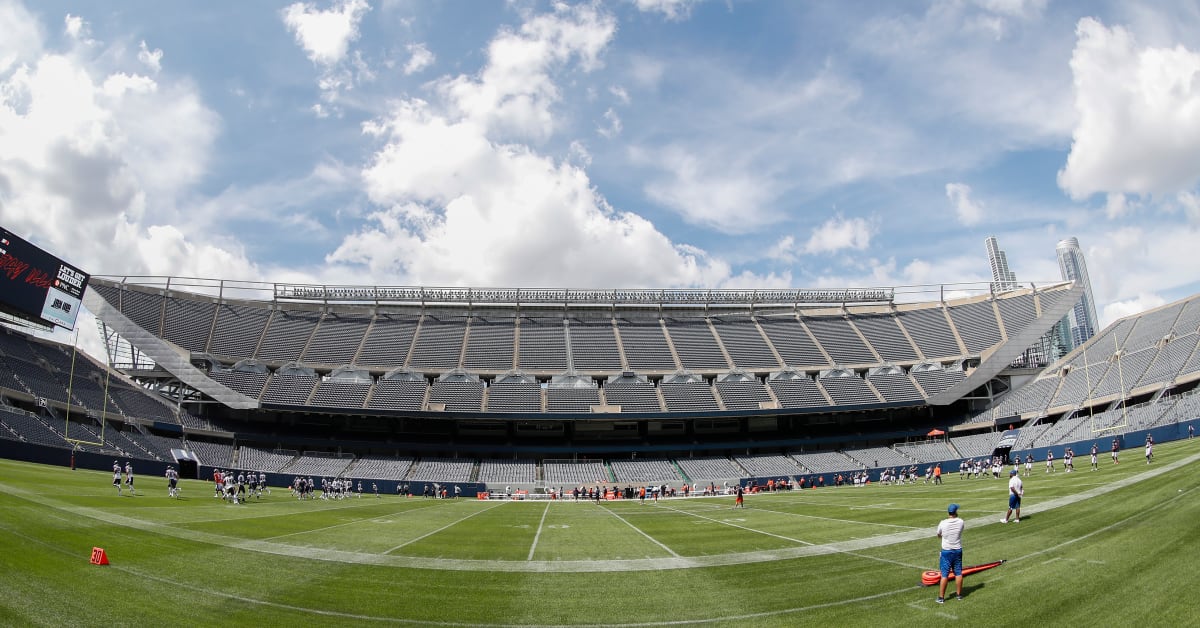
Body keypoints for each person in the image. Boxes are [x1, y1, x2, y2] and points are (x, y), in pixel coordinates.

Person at [936, 503, 965, 604]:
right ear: (955, 512)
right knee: (958, 572)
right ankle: (959, 594)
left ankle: (941, 597)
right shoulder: (961, 522)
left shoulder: (943, 523)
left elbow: (938, 534)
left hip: (946, 551)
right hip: (957, 549)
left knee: (944, 574)